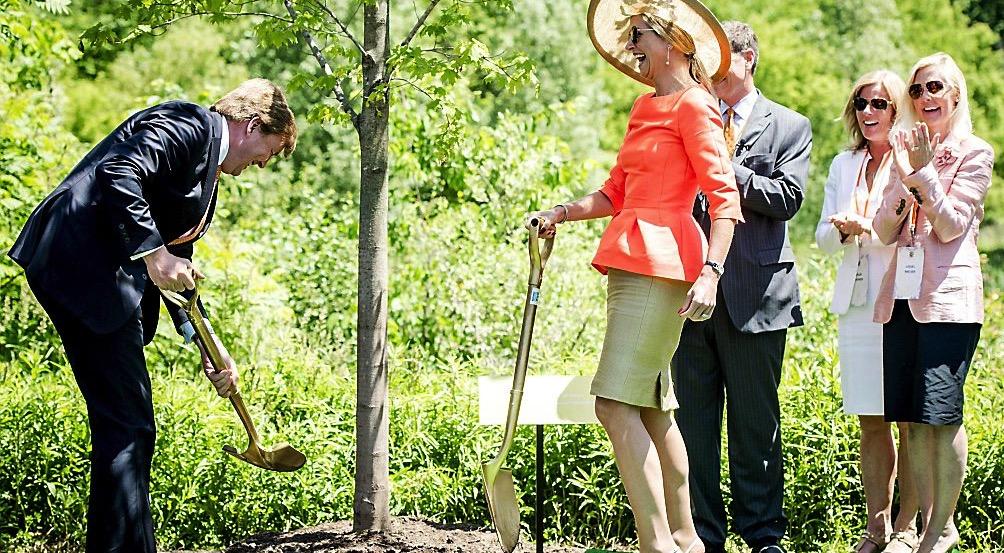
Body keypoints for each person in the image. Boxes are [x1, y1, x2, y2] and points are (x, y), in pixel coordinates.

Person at [7, 78, 297, 552]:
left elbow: (176, 271)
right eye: (270, 150)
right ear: (251, 125)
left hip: (97, 277)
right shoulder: (188, 124)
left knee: (127, 424)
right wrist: (153, 254)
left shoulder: (206, 175)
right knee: (129, 424)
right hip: (79, 264)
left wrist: (209, 348)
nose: (264, 163)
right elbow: (119, 171)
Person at [528, 1, 741, 551]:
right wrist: (560, 213)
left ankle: (656, 545)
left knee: (612, 403)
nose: (631, 44)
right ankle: (686, 538)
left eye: (638, 34)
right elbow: (615, 191)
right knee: (651, 404)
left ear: (673, 41)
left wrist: (712, 272)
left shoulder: (697, 107)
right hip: (629, 259)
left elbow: (724, 198)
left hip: (664, 263)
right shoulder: (645, 107)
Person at [670, 20, 812, 553]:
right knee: (694, 426)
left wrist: (724, 170)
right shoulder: (691, 116)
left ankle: (762, 535)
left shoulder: (791, 125)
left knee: (756, 427)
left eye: (718, 58)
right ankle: (703, 535)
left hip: (758, 298)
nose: (706, 69)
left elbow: (788, 198)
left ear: (747, 58)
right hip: (689, 293)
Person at [872, 52, 993, 553]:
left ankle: (938, 534)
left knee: (941, 420)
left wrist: (924, 175)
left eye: (934, 88)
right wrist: (904, 177)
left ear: (956, 94)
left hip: (947, 305)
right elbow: (882, 229)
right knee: (911, 421)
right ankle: (928, 525)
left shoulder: (975, 151)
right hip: (901, 300)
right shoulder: (902, 150)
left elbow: (949, 225)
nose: (924, 98)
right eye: (917, 90)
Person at [815, 70, 922, 553]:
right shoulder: (843, 163)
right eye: (861, 103)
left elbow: (912, 229)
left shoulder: (912, 163)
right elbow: (820, 239)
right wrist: (841, 229)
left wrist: (869, 226)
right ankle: (875, 527)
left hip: (901, 298)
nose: (868, 112)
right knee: (870, 419)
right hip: (854, 303)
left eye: (879, 103)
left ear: (898, 108)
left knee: (908, 418)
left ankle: (907, 528)